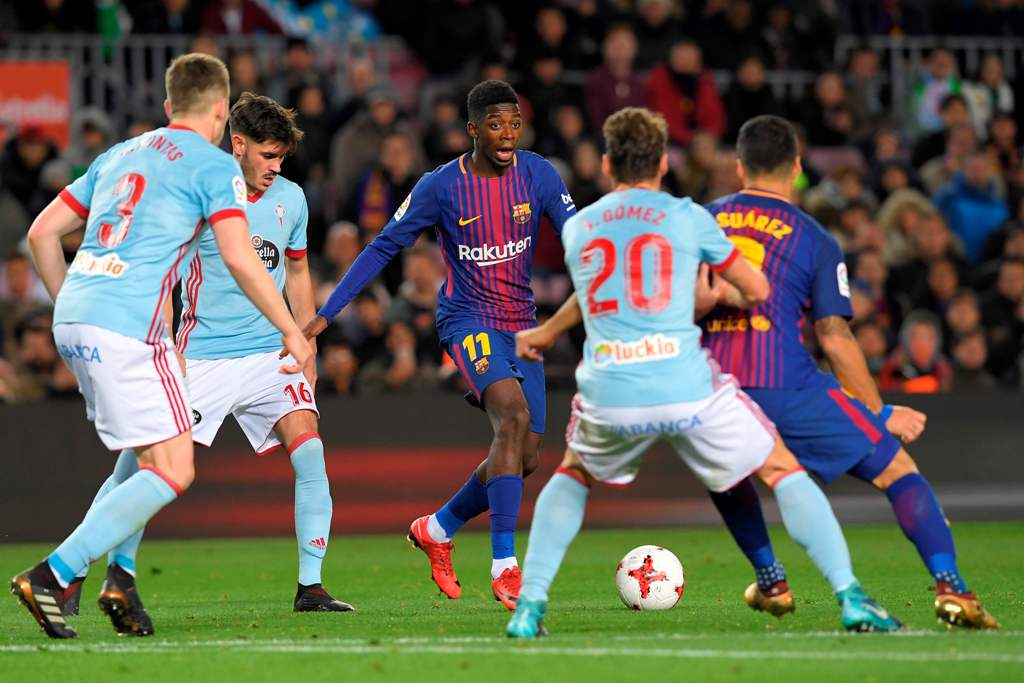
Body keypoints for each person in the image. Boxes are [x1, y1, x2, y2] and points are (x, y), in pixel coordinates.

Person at [507, 108, 902, 638]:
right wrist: (721, 292)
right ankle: (851, 597)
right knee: (782, 469)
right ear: (664, 164)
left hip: (612, 387)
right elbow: (757, 287)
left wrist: (547, 332)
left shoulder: (580, 227)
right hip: (683, 382)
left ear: (606, 164)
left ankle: (530, 608)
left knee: (573, 475)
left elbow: (600, 290)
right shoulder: (688, 217)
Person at [10, 54, 311, 640]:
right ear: (224, 115)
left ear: (170, 106)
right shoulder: (212, 166)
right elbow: (239, 256)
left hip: (75, 316)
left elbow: (41, 233)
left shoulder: (120, 153)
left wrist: (71, 305)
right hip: (131, 327)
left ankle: (116, 579)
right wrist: (292, 328)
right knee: (173, 470)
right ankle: (56, 573)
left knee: (144, 460)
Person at [61, 92, 353, 625]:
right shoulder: (200, 191)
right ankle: (79, 568)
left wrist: (304, 342)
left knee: (310, 452)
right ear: (237, 144)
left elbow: (299, 273)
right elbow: (166, 276)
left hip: (269, 355)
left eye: (281, 158)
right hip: (203, 358)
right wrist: (168, 352)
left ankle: (310, 585)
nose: (276, 167)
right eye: (268, 155)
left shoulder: (291, 199)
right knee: (139, 470)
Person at [698, 115, 998, 629]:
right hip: (786, 381)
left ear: (739, 166)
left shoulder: (700, 222)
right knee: (897, 470)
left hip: (709, 384)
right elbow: (834, 338)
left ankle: (771, 579)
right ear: (796, 168)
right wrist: (877, 412)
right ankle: (953, 590)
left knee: (728, 475)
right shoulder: (813, 237)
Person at [301, 80, 576, 609]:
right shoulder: (441, 187)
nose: (507, 135)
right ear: (472, 130)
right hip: (467, 319)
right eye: (495, 125)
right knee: (512, 421)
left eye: (514, 124)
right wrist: (326, 314)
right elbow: (383, 248)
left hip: (522, 324)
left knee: (526, 457)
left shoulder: (539, 173)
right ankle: (505, 567)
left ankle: (437, 527)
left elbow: (579, 238)